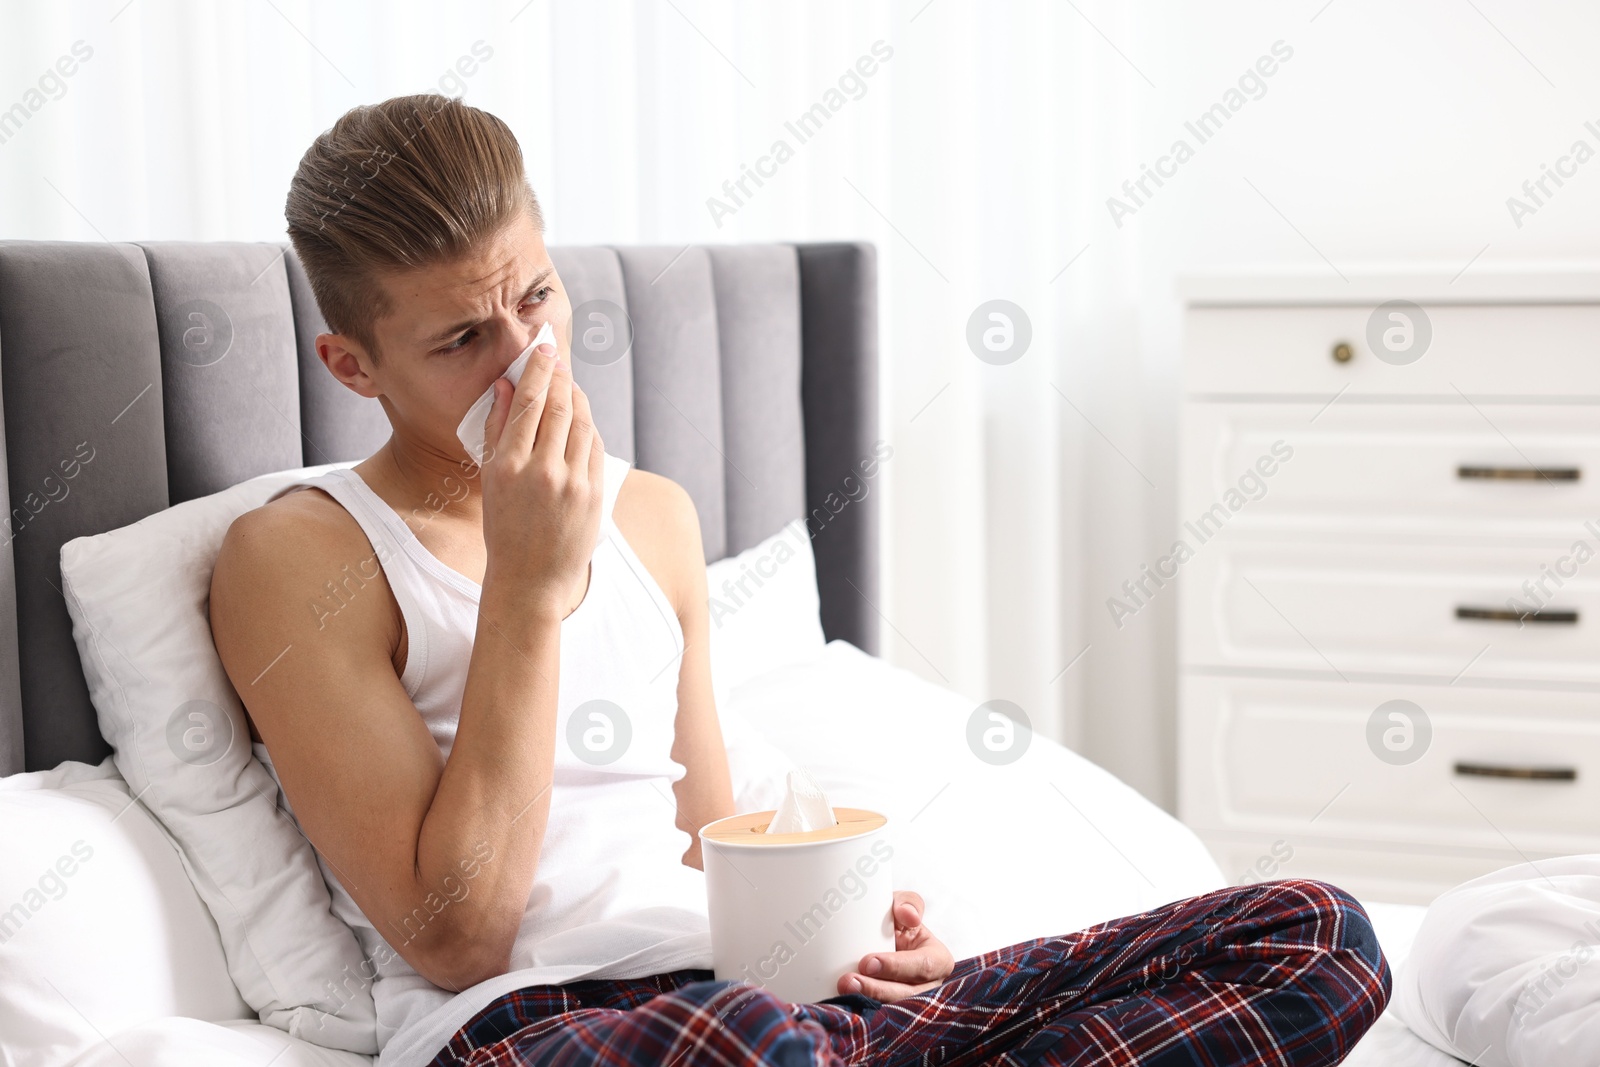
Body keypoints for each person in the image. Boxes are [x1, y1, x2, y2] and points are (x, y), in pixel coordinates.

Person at [209, 92, 1390, 1067]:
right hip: (545, 1025)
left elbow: (715, 842)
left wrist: (859, 920)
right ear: (351, 364)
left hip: (783, 1007)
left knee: (1315, 929)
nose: (527, 362)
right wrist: (528, 585)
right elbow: (457, 935)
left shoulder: (653, 515)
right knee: (751, 1038)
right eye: (462, 339)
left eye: (535, 298)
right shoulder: (300, 557)